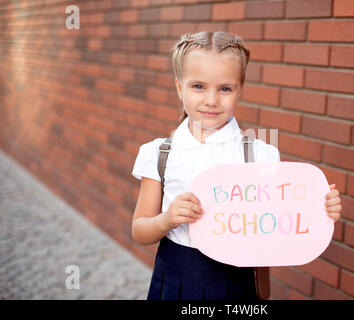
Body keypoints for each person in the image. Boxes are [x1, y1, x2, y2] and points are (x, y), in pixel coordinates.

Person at [131, 31, 342, 300]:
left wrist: (319, 210)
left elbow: (279, 223)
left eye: (225, 88)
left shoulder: (261, 155)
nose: (211, 100)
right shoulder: (159, 154)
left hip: (237, 283)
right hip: (176, 278)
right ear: (178, 87)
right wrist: (167, 219)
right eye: (198, 86)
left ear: (239, 90)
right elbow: (140, 230)